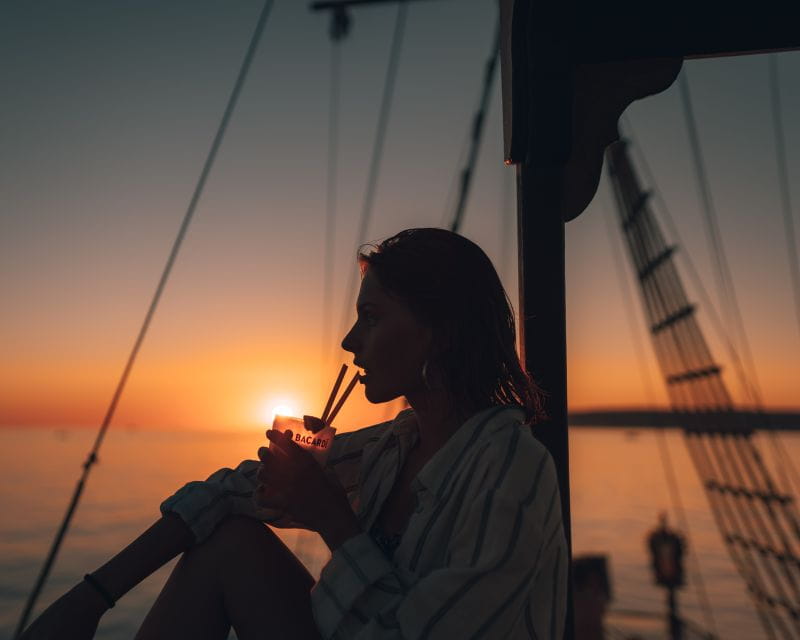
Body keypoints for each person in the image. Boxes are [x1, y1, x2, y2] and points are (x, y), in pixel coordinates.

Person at [19, 227, 567, 640]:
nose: (350, 342)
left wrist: (331, 517)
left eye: (371, 317)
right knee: (230, 540)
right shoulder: (395, 447)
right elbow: (229, 492)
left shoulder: (510, 470)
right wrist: (91, 598)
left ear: (439, 333)